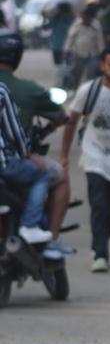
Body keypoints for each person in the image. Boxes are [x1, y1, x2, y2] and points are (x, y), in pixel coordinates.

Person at [58, 46, 110, 273]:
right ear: (102, 66)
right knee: (98, 204)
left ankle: (101, 241)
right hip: (94, 156)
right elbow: (71, 122)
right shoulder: (89, 90)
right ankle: (100, 253)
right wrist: (64, 155)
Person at [0, 30, 73, 259]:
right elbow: (17, 132)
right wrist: (27, 153)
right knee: (56, 176)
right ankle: (49, 238)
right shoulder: (20, 91)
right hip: (10, 160)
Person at [0, 80, 54, 246]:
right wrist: (27, 154)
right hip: (4, 164)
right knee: (43, 175)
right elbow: (14, 131)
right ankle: (29, 225)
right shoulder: (1, 91)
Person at [62, 4, 104, 90]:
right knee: (76, 73)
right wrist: (66, 50)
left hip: (93, 54)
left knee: (91, 74)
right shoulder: (77, 23)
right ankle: (74, 89)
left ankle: (90, 90)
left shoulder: (96, 25)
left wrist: (102, 54)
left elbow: (100, 40)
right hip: (78, 53)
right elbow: (71, 37)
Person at [47, 2, 76, 70]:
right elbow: (46, 27)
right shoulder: (56, 18)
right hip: (58, 46)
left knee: (69, 66)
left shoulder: (72, 18)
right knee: (59, 66)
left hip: (68, 46)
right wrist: (44, 17)